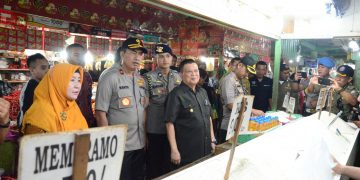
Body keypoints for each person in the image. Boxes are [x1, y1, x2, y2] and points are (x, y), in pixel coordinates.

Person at [95, 37, 148, 180]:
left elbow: (143, 110)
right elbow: (100, 113)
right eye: (133, 52)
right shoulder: (109, 77)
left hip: (139, 143)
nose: (137, 57)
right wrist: (106, 144)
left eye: (140, 54)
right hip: (119, 146)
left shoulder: (140, 79)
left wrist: (145, 139)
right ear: (122, 54)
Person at [165, 59, 215, 168]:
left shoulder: (203, 92)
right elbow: (170, 124)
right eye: (189, 72)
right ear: (181, 74)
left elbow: (209, 117)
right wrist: (174, 150)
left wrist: (212, 140)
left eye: (196, 71)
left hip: (205, 148)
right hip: (187, 151)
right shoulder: (176, 95)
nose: (194, 74)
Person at [144, 44, 181, 179]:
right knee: (154, 166)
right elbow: (145, 108)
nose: (164, 59)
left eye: (167, 56)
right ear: (155, 59)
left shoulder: (179, 77)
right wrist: (144, 132)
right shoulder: (147, 78)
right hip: (156, 129)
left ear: (172, 59)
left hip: (175, 128)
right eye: (160, 57)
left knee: (171, 166)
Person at [22, 64, 88, 134]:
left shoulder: (72, 106)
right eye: (72, 80)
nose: (77, 86)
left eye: (79, 80)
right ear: (58, 81)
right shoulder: (40, 113)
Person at [218, 57, 264, 143]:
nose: (247, 75)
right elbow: (230, 104)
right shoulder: (229, 80)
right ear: (239, 65)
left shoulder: (239, 80)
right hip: (229, 127)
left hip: (238, 125)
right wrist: (253, 111)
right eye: (246, 71)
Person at [66, 43, 96, 127]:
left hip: (86, 118)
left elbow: (87, 100)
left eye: (82, 55)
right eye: (76, 54)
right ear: (68, 57)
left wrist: (91, 119)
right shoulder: (63, 75)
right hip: (69, 120)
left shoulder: (87, 75)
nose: (81, 58)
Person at [18, 53, 49, 128]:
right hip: (30, 125)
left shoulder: (38, 84)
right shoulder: (32, 86)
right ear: (32, 70)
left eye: (48, 67)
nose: (47, 71)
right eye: (43, 68)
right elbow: (30, 111)